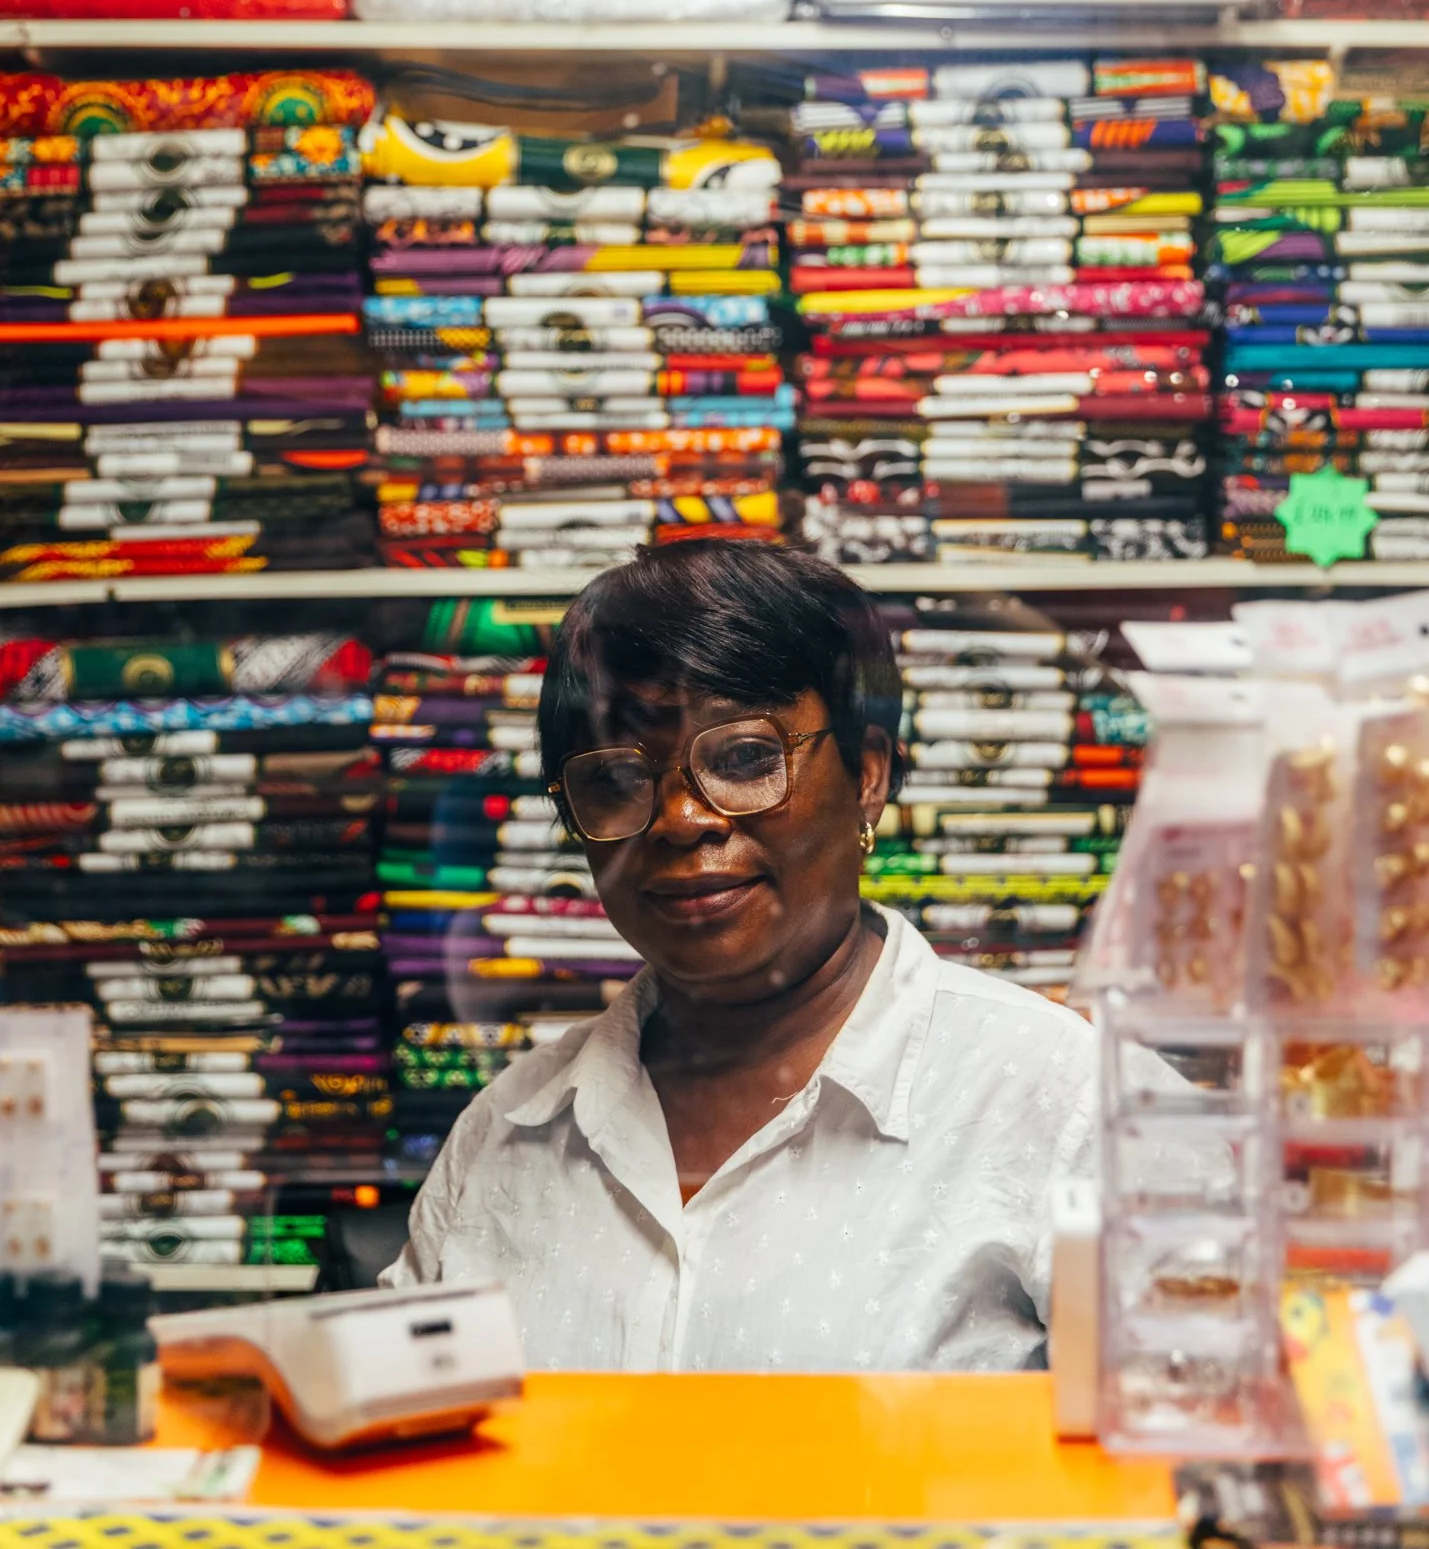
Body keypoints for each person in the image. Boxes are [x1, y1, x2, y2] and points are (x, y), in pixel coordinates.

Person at [381, 540, 1096, 1370]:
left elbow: (1187, 1445)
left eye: (747, 758)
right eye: (616, 778)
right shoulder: (509, 1136)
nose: (682, 819)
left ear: (868, 774)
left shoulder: (1057, 1103)